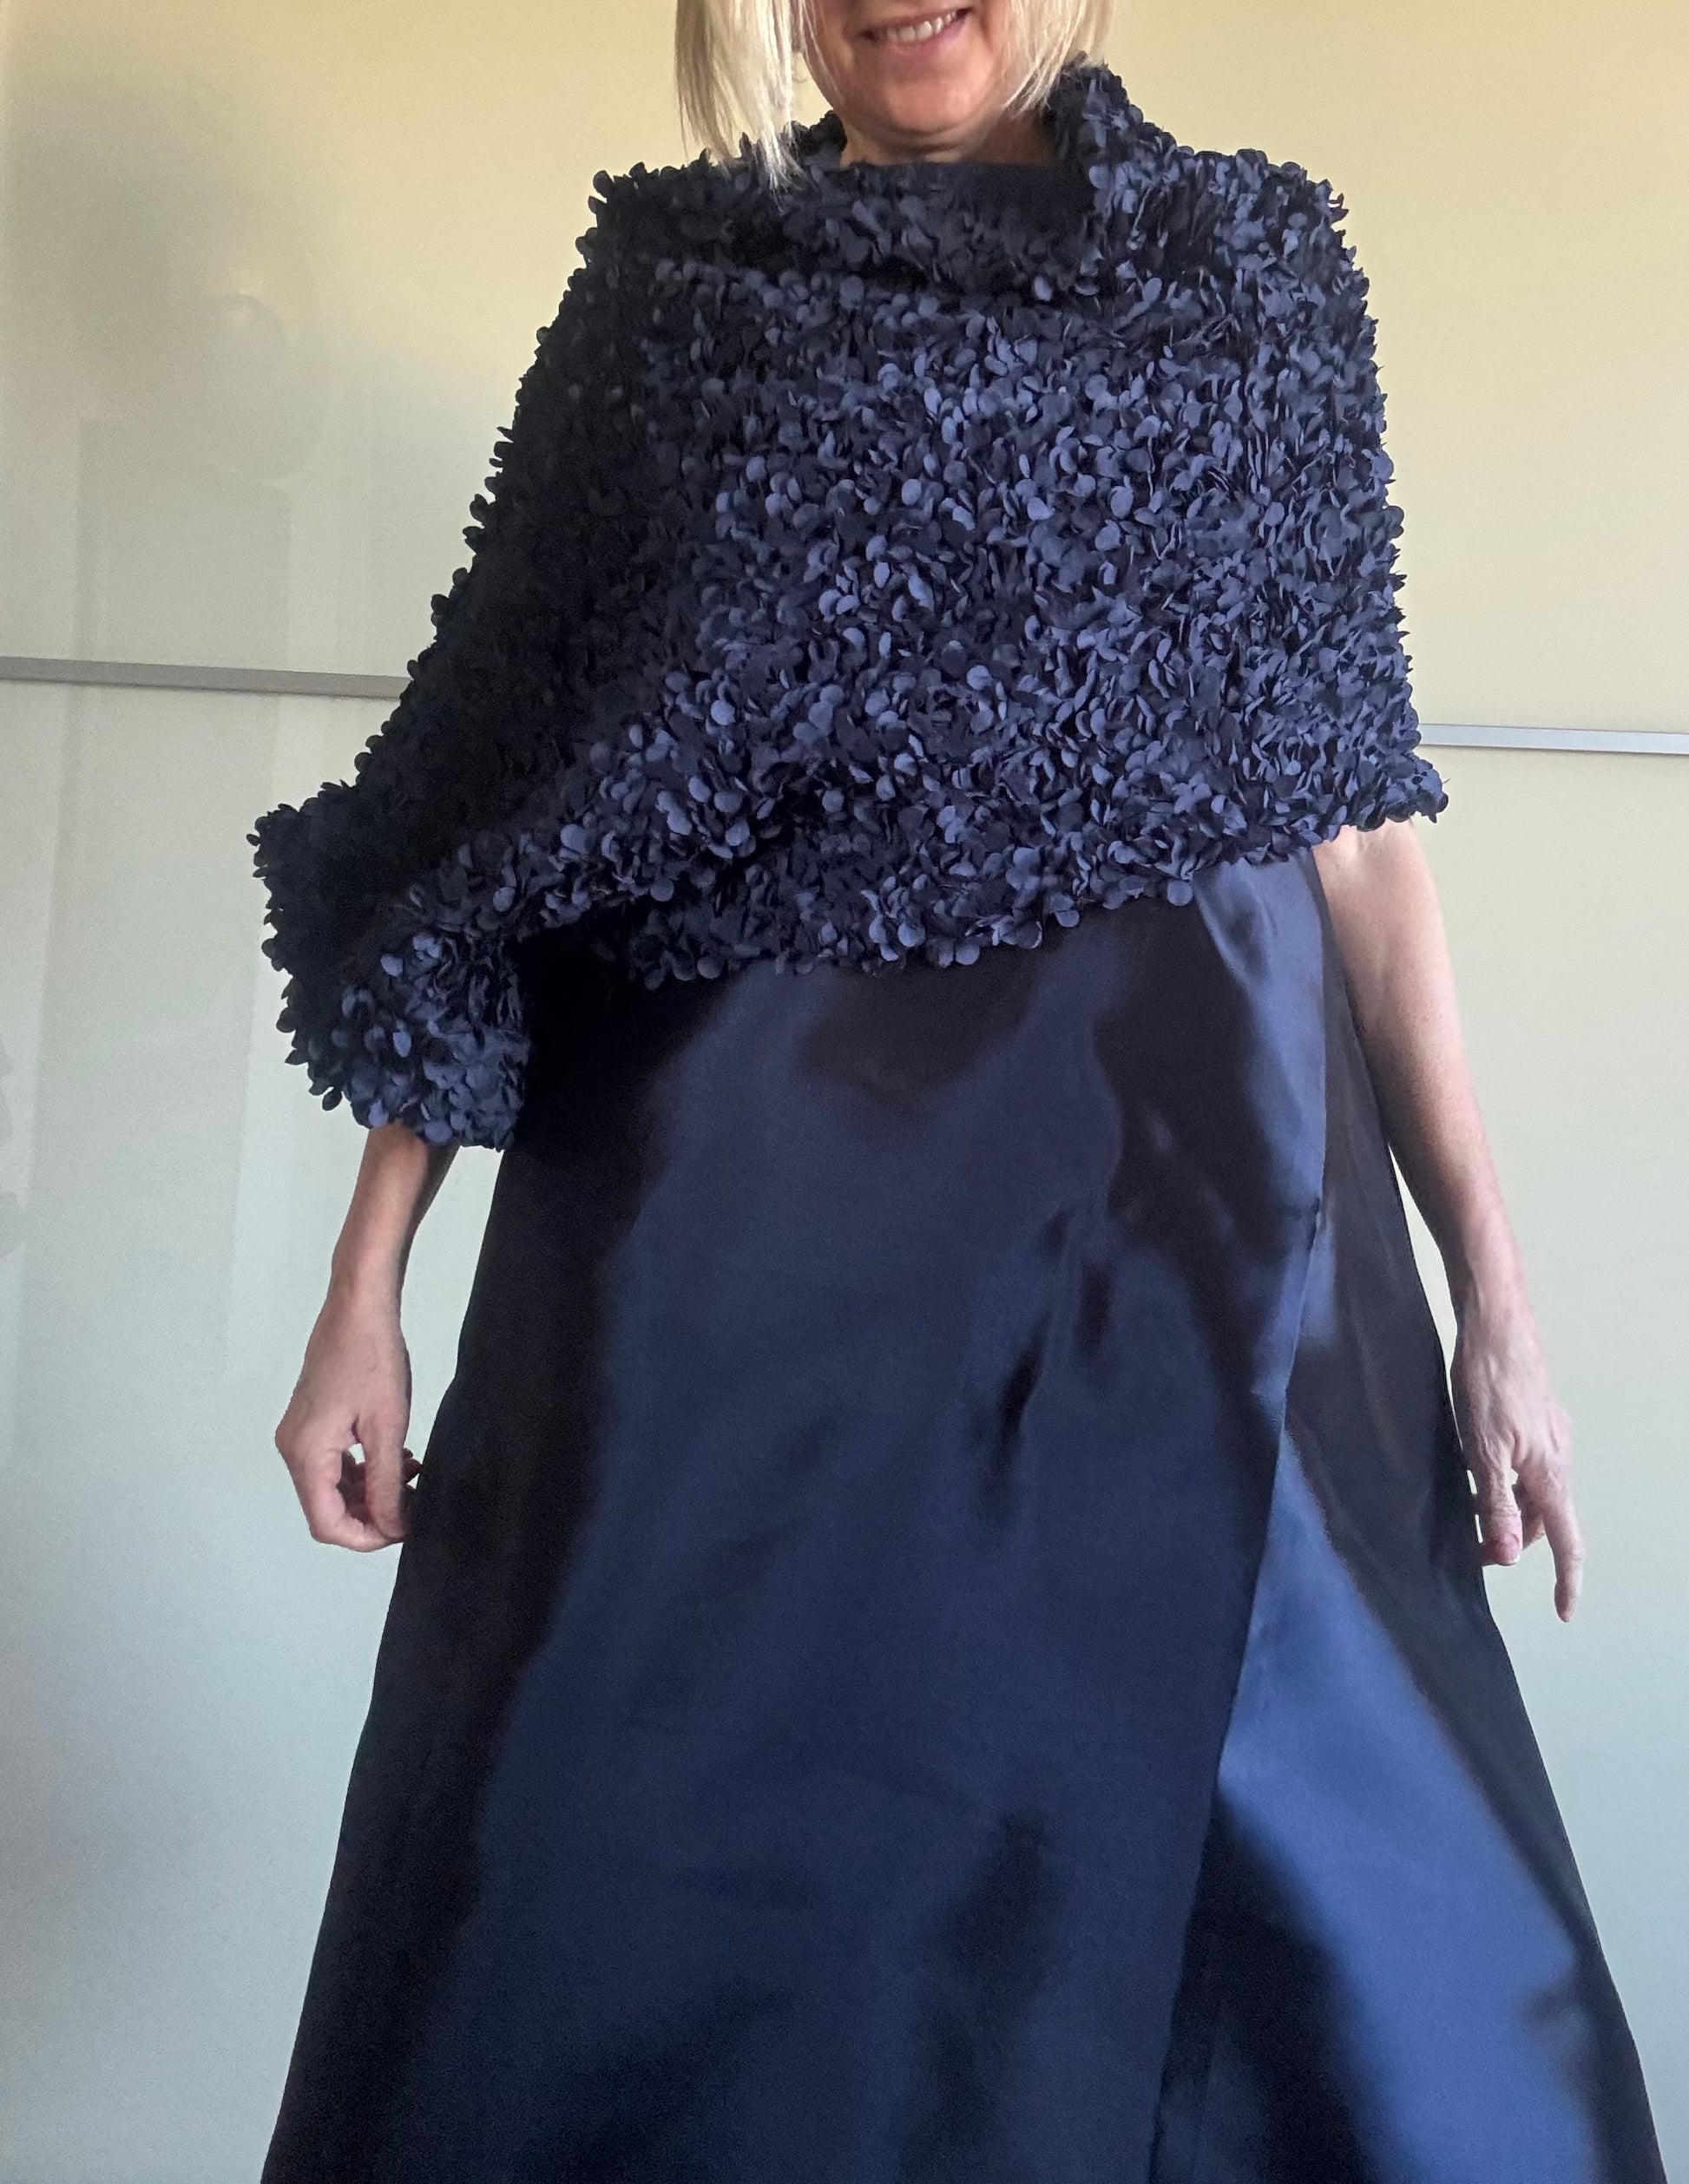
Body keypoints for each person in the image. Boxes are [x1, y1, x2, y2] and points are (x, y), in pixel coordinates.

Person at [253, 3, 1667, 2177]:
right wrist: (365, 1282)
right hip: (725, 1241)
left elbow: (1355, 823)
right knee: (646, 1886)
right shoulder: (671, 298)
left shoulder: (1250, 273)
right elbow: (490, 802)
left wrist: (1496, 1297)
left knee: (1324, 1916)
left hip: (1187, 1229)